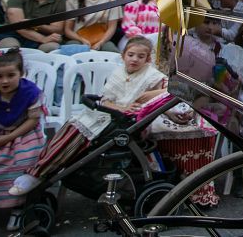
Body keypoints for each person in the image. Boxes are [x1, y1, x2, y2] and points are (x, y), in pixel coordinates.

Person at [9, 37, 165, 195]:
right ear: (123, 55)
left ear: (148, 59)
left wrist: (149, 94)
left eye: (140, 56)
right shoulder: (119, 72)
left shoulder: (151, 75)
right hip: (111, 114)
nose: (134, 59)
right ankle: (41, 170)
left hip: (127, 122)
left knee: (78, 133)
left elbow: (169, 89)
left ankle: (38, 173)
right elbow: (106, 99)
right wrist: (120, 107)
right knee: (71, 127)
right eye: (131, 55)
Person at [0, 49, 44, 224]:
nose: (5, 81)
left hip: (23, 133)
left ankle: (19, 206)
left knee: (24, 160)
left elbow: (33, 120)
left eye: (11, 75)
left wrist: (8, 137)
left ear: (21, 74)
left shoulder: (30, 92)